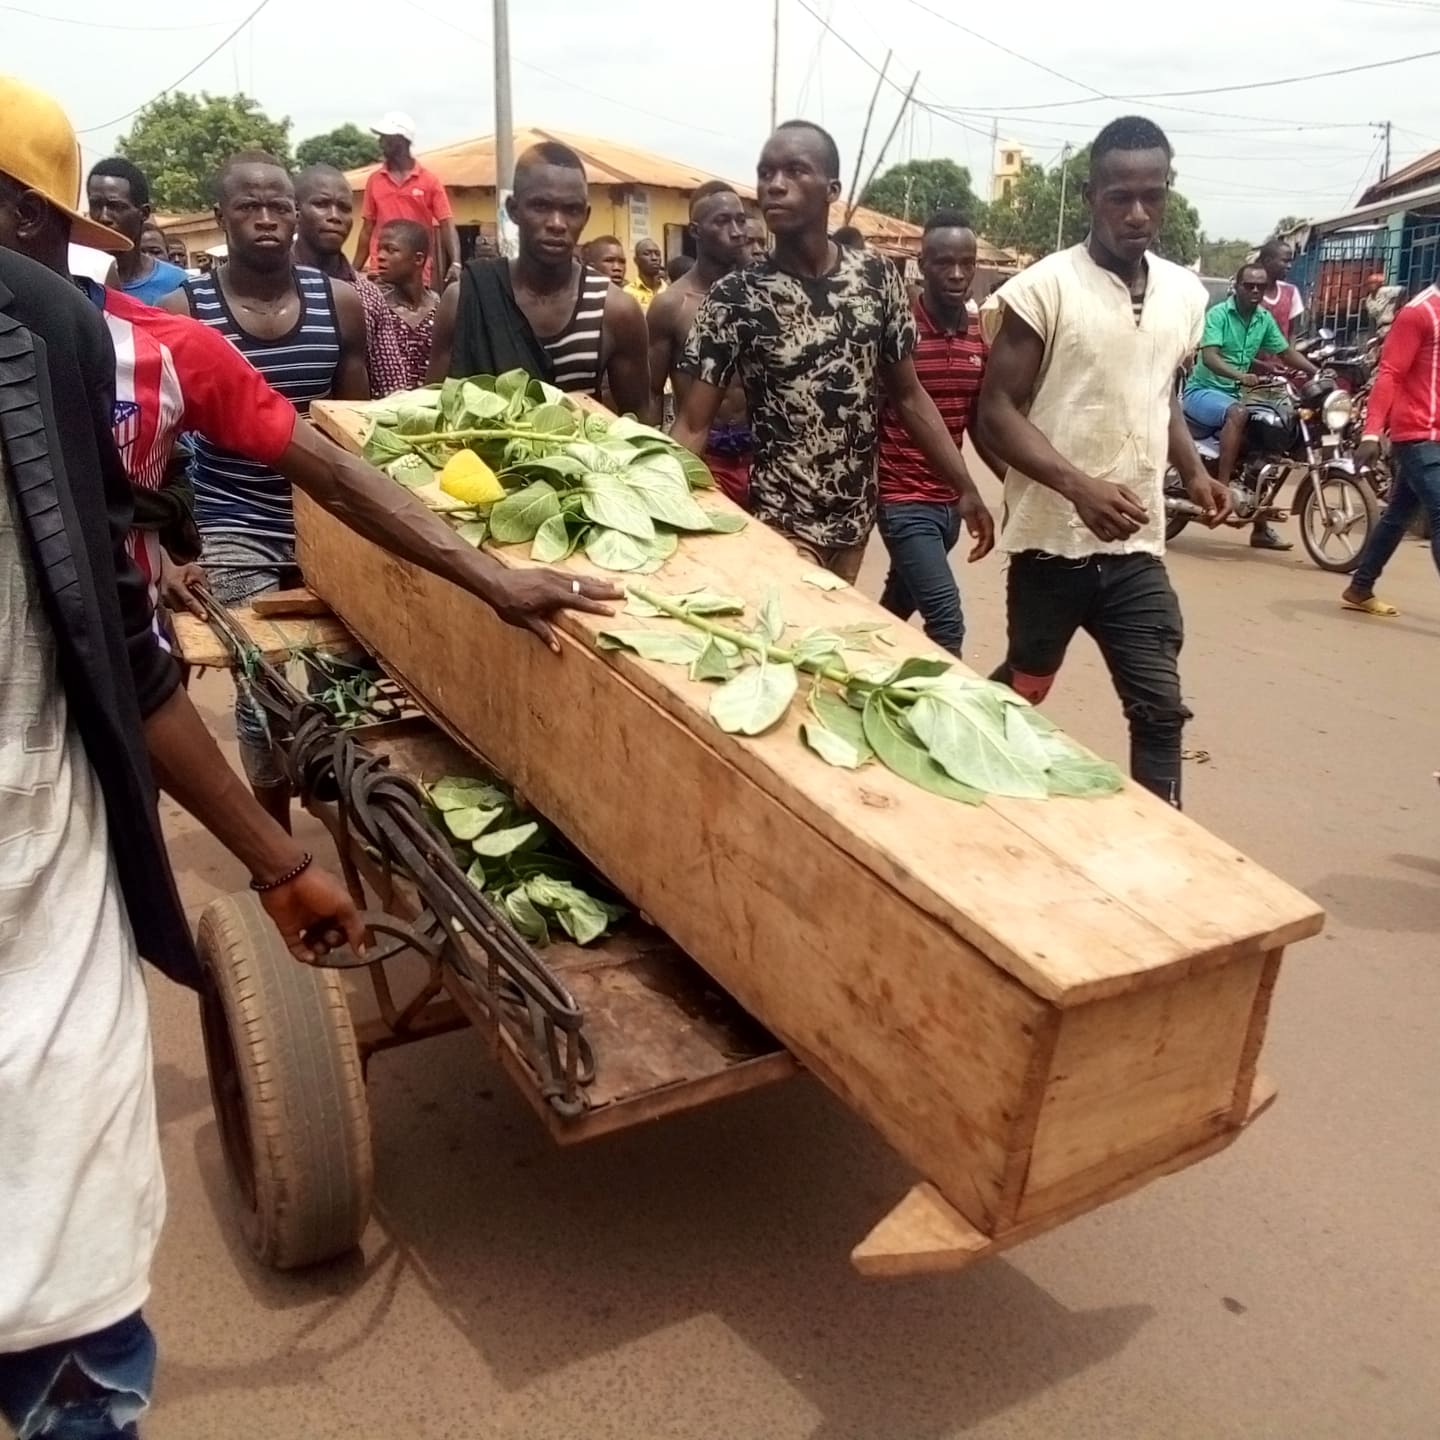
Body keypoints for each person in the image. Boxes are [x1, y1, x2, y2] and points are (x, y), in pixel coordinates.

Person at [0, 241, 369, 1440]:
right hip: (52, 843)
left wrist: (277, 858)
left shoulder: (59, 329)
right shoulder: (58, 323)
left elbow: (111, 627)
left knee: (69, 1338)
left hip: (46, 872)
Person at [975, 115, 1230, 809]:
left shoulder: (1185, 293)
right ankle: (971, 769)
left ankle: (1163, 839)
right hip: (1051, 545)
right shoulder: (1042, 289)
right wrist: (1077, 486)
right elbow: (995, 410)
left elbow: (1162, 394)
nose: (1138, 212)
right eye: (1120, 195)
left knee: (1159, 707)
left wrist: (1195, 471)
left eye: (1153, 194)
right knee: (1029, 683)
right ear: (1091, 195)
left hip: (1136, 548)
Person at [672, 120, 992, 582]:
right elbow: (691, 422)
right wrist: (657, 504)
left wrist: (964, 486)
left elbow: (908, 396)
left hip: (855, 522)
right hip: (781, 522)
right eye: (766, 174)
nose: (774, 186)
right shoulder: (736, 297)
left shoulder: (878, 279)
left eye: (794, 172)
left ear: (832, 189)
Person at [159, 152, 368, 822]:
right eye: (251, 206)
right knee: (261, 693)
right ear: (223, 216)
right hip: (236, 520)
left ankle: (351, 814)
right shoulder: (185, 312)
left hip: (329, 521)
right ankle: (281, 846)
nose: (269, 218)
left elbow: (354, 431)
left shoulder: (339, 304)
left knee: (347, 686)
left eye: (280, 204)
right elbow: (154, 450)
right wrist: (168, 552)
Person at [429, 142, 652, 419]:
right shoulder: (464, 299)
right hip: (474, 461)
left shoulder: (615, 311)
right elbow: (434, 412)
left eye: (571, 210)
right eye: (541, 206)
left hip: (577, 459)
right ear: (513, 210)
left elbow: (640, 422)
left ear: (586, 215)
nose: (557, 223)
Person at [876, 211, 1002, 658]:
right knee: (946, 622)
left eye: (966, 263)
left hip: (948, 507)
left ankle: (860, 678)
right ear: (922, 264)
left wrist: (1015, 483)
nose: (957, 274)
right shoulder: (898, 331)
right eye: (944, 262)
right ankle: (946, 721)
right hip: (902, 499)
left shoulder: (977, 336)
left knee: (893, 610)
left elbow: (978, 423)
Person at [1181, 260, 1317, 550]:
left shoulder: (1263, 319)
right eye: (1249, 285)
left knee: (1268, 438)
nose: (1255, 290)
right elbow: (1211, 358)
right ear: (1238, 287)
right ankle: (1222, 487)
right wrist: (1242, 376)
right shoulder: (1219, 315)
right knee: (1239, 413)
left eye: (1260, 286)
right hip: (1203, 392)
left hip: (1238, 393)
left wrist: (1315, 372)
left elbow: (1285, 352)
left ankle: (1260, 528)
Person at [1340, 278, 1440, 616]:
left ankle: (1360, 586)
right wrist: (1371, 433)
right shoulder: (1418, 312)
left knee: (1399, 513)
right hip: (1417, 434)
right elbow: (1391, 374)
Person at [647, 182, 751, 503]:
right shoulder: (672, 305)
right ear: (696, 230)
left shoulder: (762, 298)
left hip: (761, 456)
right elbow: (651, 393)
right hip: (702, 458)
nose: (736, 231)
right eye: (722, 221)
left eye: (740, 220)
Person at [352, 112, 459, 287]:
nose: (380, 143)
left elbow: (446, 223)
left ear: (401, 141)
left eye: (385, 138)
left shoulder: (429, 181)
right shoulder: (375, 180)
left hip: (415, 272)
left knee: (417, 313)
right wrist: (353, 272)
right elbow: (367, 229)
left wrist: (455, 263)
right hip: (381, 272)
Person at [87, 156, 186, 306]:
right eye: (95, 205)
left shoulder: (177, 284)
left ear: (144, 213)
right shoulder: (78, 279)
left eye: (115, 207)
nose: (103, 217)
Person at [364, 218, 438, 395]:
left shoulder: (441, 310)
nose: (380, 256)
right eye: (379, 249)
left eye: (391, 250)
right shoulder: (376, 310)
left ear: (418, 259)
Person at [293, 163, 359, 282]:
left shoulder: (368, 294)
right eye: (321, 204)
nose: (335, 216)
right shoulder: (267, 281)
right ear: (296, 210)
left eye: (344, 208)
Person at [625, 236, 666, 309]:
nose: (654, 258)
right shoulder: (627, 293)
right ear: (636, 260)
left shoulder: (669, 290)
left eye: (657, 254)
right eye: (647, 253)